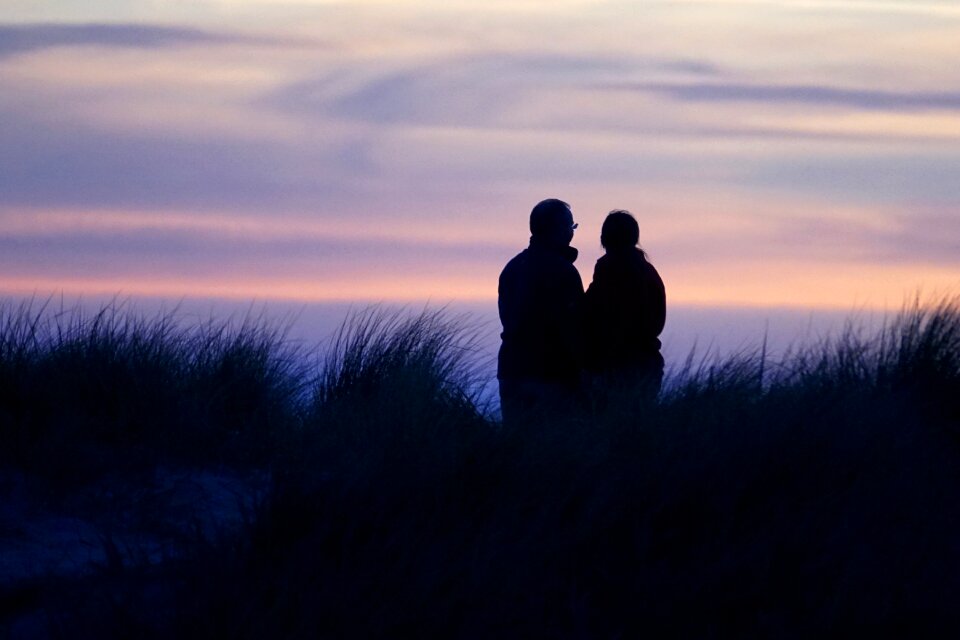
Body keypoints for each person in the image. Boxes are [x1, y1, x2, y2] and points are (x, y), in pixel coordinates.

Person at [498, 199, 584, 425]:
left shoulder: (512, 267)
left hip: (511, 371)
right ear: (558, 229)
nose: (572, 233)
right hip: (551, 376)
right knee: (553, 451)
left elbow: (507, 318)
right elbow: (573, 328)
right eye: (570, 227)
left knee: (518, 449)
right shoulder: (564, 272)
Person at [582, 209, 666, 405]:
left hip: (614, 368)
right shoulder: (648, 272)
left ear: (604, 238)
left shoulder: (608, 270)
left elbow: (591, 315)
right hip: (647, 365)